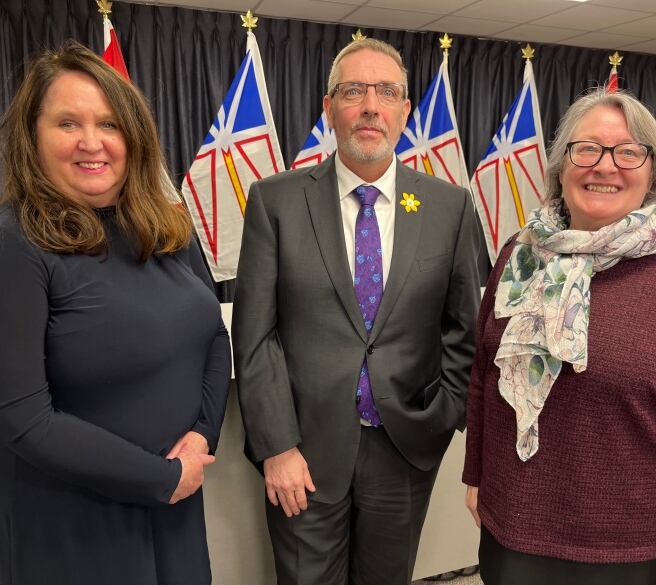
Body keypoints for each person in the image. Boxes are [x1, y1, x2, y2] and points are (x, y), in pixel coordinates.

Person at [463, 87, 656, 585]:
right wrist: (477, 474)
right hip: (510, 537)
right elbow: (484, 376)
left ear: (654, 173)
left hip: (632, 557)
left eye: (628, 152)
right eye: (587, 149)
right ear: (562, 165)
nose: (605, 166)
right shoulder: (520, 256)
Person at [232, 38, 480, 584]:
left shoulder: (449, 207)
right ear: (328, 108)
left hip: (405, 449)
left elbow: (467, 329)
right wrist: (276, 446)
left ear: (405, 112)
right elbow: (255, 337)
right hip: (304, 454)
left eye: (387, 92)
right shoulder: (276, 201)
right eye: (354, 91)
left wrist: (442, 417)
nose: (371, 106)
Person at [0, 41, 231, 585]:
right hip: (66, 520)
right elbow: (21, 416)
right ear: (32, 135)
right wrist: (160, 476)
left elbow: (213, 333)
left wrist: (202, 438)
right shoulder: (8, 243)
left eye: (110, 124)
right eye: (68, 123)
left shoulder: (165, 224)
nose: (92, 142)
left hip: (173, 504)